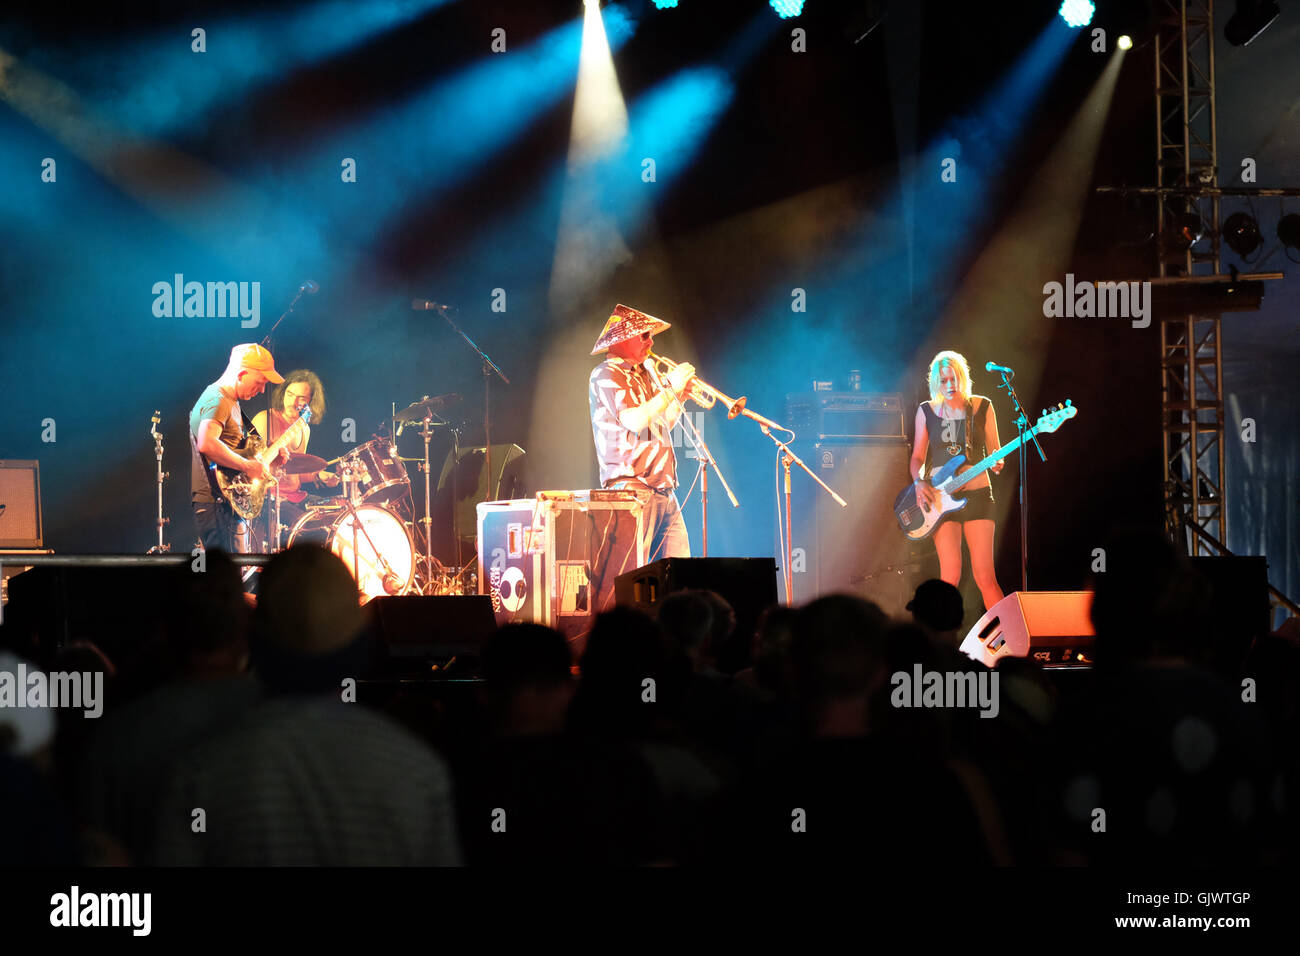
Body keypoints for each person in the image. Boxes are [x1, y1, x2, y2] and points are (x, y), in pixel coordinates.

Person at [588, 303, 696, 562]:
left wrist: (679, 398)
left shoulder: (643, 375)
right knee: (635, 575)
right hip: (633, 489)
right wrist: (669, 389)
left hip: (663, 489)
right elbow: (634, 421)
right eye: (645, 335)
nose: (651, 342)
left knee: (679, 573)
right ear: (623, 338)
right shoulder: (606, 374)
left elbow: (656, 429)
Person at [908, 350, 1005, 612]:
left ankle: (1009, 642)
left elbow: (996, 453)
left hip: (979, 496)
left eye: (953, 379)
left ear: (962, 378)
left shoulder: (982, 406)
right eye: (943, 381)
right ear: (935, 383)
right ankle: (940, 641)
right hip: (941, 498)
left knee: (985, 577)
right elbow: (917, 457)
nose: (949, 385)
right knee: (950, 576)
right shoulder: (926, 411)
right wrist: (919, 482)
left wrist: (997, 463)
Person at [189, 343, 285, 554]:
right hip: (217, 504)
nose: (262, 390)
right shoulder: (218, 398)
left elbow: (235, 453)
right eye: (260, 383)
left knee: (230, 579)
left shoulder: (230, 401)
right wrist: (247, 466)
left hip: (225, 503)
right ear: (242, 374)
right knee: (227, 581)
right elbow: (207, 443)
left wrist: (267, 460)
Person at [251, 369, 339, 544]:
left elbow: (295, 471)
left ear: (310, 403)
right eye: (290, 394)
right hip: (270, 500)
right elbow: (251, 465)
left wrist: (318, 475)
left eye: (301, 398)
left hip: (297, 496)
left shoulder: (304, 429)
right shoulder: (265, 419)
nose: (293, 402)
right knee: (310, 530)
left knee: (337, 516)